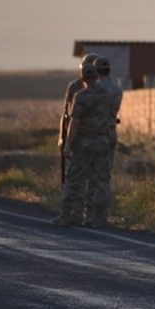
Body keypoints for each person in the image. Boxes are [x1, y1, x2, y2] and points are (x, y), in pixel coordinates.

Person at [52, 61, 111, 227]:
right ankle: (98, 218)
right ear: (97, 77)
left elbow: (75, 121)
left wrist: (68, 144)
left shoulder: (81, 96)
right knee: (101, 181)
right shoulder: (107, 95)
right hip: (102, 141)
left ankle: (67, 216)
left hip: (84, 142)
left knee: (74, 179)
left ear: (83, 78)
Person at [91, 55, 124, 228]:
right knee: (105, 175)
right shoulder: (117, 88)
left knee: (91, 175)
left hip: (94, 135)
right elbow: (114, 111)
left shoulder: (93, 89)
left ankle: (89, 214)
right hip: (110, 132)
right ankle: (102, 216)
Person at [58, 53, 99, 185]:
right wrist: (61, 137)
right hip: (75, 135)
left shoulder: (102, 89)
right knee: (74, 173)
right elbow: (65, 113)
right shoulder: (74, 87)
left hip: (93, 135)